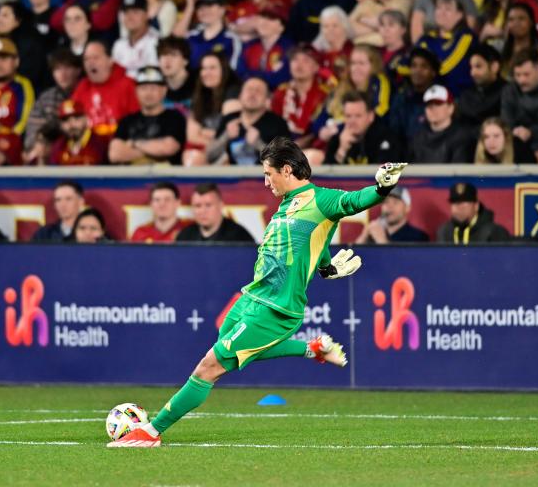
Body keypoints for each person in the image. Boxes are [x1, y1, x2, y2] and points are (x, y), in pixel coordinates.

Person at [110, 143, 407, 447]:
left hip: (275, 309)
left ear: (287, 170)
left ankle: (151, 431)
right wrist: (326, 268)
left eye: (269, 174)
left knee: (208, 367)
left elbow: (355, 201)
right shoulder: (287, 205)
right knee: (237, 356)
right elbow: (312, 241)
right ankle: (312, 349)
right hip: (251, 298)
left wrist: (382, 189)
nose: (266, 182)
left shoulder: (322, 199)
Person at [108, 66, 186, 165]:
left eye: (153, 88)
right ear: (136, 91)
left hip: (165, 179)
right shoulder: (126, 121)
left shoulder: (175, 117)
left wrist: (133, 143)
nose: (148, 93)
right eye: (143, 88)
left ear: (164, 90)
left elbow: (168, 148)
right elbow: (114, 155)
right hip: (132, 178)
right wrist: (153, 151)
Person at [208, 77, 290, 165]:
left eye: (258, 91)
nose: (252, 94)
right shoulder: (229, 119)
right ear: (240, 96)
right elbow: (210, 156)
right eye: (249, 89)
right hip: (233, 176)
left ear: (267, 100)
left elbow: (285, 162)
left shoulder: (278, 123)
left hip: (264, 177)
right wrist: (225, 137)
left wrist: (259, 144)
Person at [71, 39, 140, 137]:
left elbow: (138, 122)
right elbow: (72, 120)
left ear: (110, 60)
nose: (90, 63)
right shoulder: (82, 87)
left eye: (96, 58)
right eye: (86, 59)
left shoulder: (128, 85)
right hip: (90, 147)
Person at [183, 51, 242, 165]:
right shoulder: (200, 97)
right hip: (211, 148)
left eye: (212, 68)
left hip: (230, 150)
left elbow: (230, 133)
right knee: (191, 155)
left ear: (223, 70)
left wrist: (205, 132)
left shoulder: (234, 92)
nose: (206, 73)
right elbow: (192, 136)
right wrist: (212, 137)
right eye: (204, 68)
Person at [414, 0, 477, 95]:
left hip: (457, 95)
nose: (441, 12)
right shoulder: (427, 38)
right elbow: (409, 64)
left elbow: (449, 65)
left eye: (448, 9)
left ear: (460, 15)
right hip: (427, 93)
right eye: (438, 8)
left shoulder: (466, 37)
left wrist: (426, 72)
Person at [24, 49, 83, 156]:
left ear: (78, 70)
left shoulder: (87, 93)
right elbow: (31, 137)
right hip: (50, 154)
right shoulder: (46, 98)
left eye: (67, 68)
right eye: (57, 69)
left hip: (84, 150)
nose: (63, 74)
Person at [270, 45, 328, 146]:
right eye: (295, 60)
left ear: (316, 67)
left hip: (315, 148)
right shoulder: (280, 93)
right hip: (283, 148)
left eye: (306, 60)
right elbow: (274, 126)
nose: (299, 65)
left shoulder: (325, 94)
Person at [325, 91, 403, 164]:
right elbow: (324, 176)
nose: (352, 121)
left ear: (371, 116)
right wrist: (342, 151)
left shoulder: (386, 138)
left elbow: (387, 174)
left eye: (358, 116)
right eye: (348, 116)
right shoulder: (337, 140)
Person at [409, 85, 475, 163]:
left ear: (451, 108)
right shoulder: (417, 138)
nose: (432, 108)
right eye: (428, 105)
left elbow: (458, 171)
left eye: (438, 104)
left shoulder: (463, 137)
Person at [174, 182, 256, 243]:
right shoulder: (185, 237)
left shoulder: (239, 237)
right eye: (198, 206)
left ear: (221, 206)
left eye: (208, 205)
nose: (203, 211)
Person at [435, 182, 510, 244]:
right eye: (455, 202)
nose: (459, 207)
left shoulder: (494, 232)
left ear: (476, 206)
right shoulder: (444, 232)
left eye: (464, 202)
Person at [237, 5, 292, 87]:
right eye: (262, 17)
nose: (264, 22)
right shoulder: (248, 46)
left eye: (271, 18)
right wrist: (268, 75)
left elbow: (281, 78)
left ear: (281, 27)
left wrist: (252, 74)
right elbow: (240, 74)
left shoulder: (289, 47)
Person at [185, 0, 241, 67]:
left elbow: (233, 70)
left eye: (210, 6)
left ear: (222, 10)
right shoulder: (190, 37)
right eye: (200, 7)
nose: (204, 10)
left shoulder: (231, 39)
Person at [45, 99, 109, 166]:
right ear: (60, 124)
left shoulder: (102, 143)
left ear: (86, 118)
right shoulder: (58, 147)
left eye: (76, 117)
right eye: (65, 119)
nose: (72, 124)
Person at [456, 44, 507, 128]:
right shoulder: (466, 95)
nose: (473, 73)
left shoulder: (508, 92)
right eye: (471, 67)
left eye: (478, 66)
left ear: (494, 67)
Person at [355, 186, 429, 243]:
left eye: (395, 202)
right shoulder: (372, 235)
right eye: (386, 202)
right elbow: (352, 258)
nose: (389, 206)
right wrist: (364, 236)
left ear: (407, 207)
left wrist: (382, 241)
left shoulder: (419, 237)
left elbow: (409, 261)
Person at [112, 0, 160, 78]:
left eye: (135, 12)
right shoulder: (118, 45)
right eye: (126, 12)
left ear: (147, 14)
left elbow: (153, 78)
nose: (130, 17)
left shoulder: (156, 42)